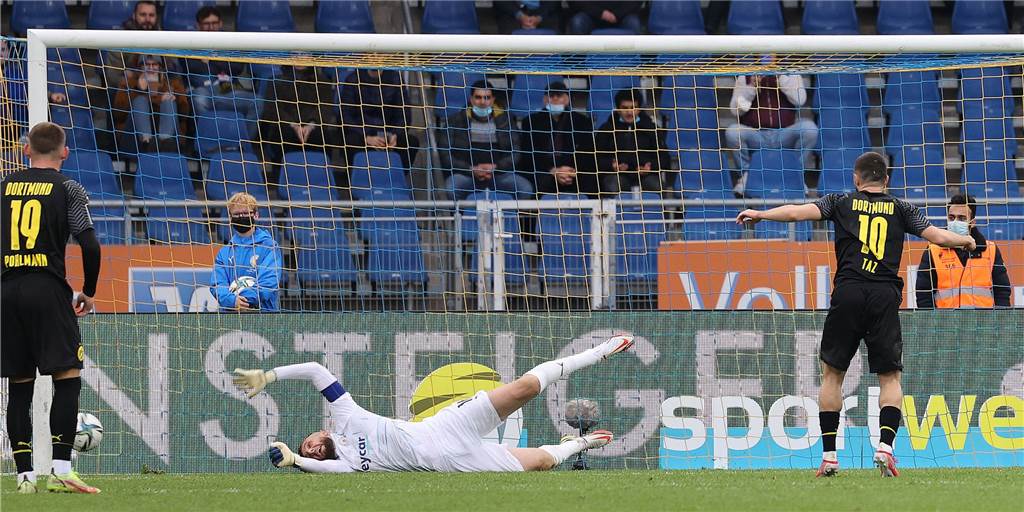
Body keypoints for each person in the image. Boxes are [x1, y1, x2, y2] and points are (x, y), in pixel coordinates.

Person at [735, 152, 975, 478]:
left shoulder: (840, 201)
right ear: (886, 180)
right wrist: (966, 240)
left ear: (856, 178)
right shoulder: (901, 208)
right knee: (889, 378)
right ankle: (886, 448)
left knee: (832, 376)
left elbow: (795, 213)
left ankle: (830, 456)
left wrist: (760, 214)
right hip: (884, 296)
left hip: (848, 292)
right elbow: (938, 236)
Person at [231, 335, 636, 473]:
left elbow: (318, 370)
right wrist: (296, 461)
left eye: (309, 444)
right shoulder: (345, 466)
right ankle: (578, 444)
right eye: (311, 454)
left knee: (525, 388)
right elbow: (321, 468)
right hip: (451, 463)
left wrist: (268, 376)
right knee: (543, 463)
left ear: (320, 431)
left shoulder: (346, 416)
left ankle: (596, 352)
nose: (313, 449)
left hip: (446, 429)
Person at [1, 122, 102, 494]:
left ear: (25, 150)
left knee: (20, 385)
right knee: (68, 377)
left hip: (7, 290)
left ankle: (25, 477)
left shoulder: (4, 187)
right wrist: (88, 292)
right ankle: (61, 469)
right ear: (65, 152)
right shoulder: (68, 188)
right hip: (47, 289)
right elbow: (89, 245)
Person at [725, 67, 818, 197]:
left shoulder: (790, 73)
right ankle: (747, 176)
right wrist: (752, 86)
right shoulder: (745, 76)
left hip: (784, 134)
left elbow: (800, 100)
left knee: (809, 129)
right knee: (733, 132)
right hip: (757, 135)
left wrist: (780, 78)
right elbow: (735, 110)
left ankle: (795, 174)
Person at [438, 80, 532, 200]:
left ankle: (513, 219)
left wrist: (496, 167)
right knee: (451, 188)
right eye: (478, 97)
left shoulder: (506, 121)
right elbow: (445, 155)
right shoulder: (454, 121)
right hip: (467, 174)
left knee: (525, 189)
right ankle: (461, 218)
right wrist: (471, 169)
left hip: (499, 174)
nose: (482, 102)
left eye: (487, 97)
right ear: (471, 99)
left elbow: (516, 153)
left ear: (493, 100)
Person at [915, 194, 1012, 309]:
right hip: (946, 324)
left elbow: (1002, 293)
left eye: (961, 218)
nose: (955, 222)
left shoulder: (991, 250)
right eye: (951, 218)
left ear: (973, 222)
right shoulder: (933, 250)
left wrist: (1000, 322)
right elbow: (923, 295)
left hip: (983, 324)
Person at [518, 82, 599, 196]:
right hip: (545, 171)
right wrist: (553, 170)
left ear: (567, 99)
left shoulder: (582, 122)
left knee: (591, 181)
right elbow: (528, 154)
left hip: (574, 171)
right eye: (551, 96)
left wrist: (571, 171)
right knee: (540, 181)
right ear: (545, 100)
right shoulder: (531, 122)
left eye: (559, 96)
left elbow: (588, 153)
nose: (555, 99)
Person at [182, 6, 259, 123]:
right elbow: (192, 67)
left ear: (221, 23)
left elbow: (237, 67)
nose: (211, 27)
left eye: (214, 23)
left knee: (257, 102)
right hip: (202, 90)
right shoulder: (188, 43)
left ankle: (244, 140)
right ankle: (207, 138)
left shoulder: (229, 42)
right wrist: (221, 62)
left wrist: (211, 60)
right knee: (199, 99)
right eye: (206, 24)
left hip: (227, 90)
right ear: (198, 26)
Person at [210, 192, 282, 312]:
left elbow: (269, 282)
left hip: (263, 316)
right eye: (237, 214)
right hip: (230, 315)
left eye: (245, 213)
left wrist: (244, 301)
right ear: (230, 218)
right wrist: (232, 301)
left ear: (256, 215)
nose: (241, 217)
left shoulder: (269, 246)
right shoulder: (224, 252)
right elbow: (217, 284)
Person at [339, 68, 420, 171]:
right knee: (350, 141)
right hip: (362, 134)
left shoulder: (396, 79)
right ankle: (358, 178)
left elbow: (404, 115)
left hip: (388, 133)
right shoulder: (353, 79)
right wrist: (366, 137)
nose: (375, 56)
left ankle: (397, 177)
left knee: (411, 142)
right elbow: (346, 116)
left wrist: (395, 135)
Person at [595, 89, 670, 196]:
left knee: (659, 187)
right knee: (612, 186)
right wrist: (611, 166)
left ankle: (661, 213)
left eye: (633, 108)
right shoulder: (607, 129)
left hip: (646, 176)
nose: (629, 112)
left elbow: (665, 159)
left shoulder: (652, 129)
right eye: (625, 108)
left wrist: (650, 167)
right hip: (617, 176)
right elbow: (596, 158)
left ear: (639, 109)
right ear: (618, 109)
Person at [258, 65, 337, 164]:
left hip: (313, 126)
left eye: (303, 53)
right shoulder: (275, 81)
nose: (300, 56)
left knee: (322, 137)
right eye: (296, 53)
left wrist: (311, 125)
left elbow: (325, 108)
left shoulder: (323, 82)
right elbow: (271, 109)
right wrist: (293, 125)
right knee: (282, 135)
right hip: (284, 126)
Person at [112, 54, 189, 153]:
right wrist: (138, 90)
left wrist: (175, 99)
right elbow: (118, 114)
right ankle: (147, 142)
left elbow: (185, 115)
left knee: (168, 102)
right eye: (147, 65)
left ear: (160, 67)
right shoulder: (129, 83)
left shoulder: (173, 83)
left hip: (170, 140)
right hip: (134, 139)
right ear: (140, 67)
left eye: (154, 64)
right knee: (140, 101)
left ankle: (164, 141)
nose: (151, 68)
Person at [102, 1, 162, 91]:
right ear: (134, 16)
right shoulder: (120, 39)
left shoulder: (165, 38)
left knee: (169, 103)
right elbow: (113, 77)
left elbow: (175, 72)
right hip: (128, 91)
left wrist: (162, 84)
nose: (147, 19)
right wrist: (135, 83)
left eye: (151, 15)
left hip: (161, 90)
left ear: (156, 17)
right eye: (143, 15)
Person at [566, 2, 644, 35]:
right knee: (578, 22)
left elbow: (635, 2)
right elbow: (575, 2)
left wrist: (617, 14)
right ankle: (578, 66)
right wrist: (600, 13)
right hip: (590, 15)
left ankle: (634, 66)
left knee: (634, 23)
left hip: (622, 16)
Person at [494, 1, 562, 33]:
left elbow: (553, 3)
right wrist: (520, 16)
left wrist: (539, 17)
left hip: (546, 12)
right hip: (512, 11)